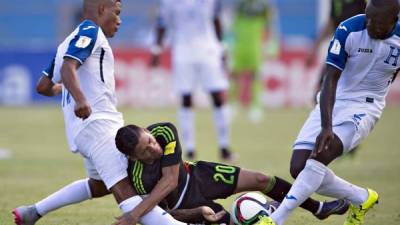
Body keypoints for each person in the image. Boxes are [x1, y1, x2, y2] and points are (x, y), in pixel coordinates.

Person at [12, 1, 191, 225]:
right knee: (124, 188)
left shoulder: (66, 42)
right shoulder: (91, 32)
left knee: (98, 185)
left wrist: (70, 89)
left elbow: (43, 86)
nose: (120, 20)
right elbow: (68, 68)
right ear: (101, 9)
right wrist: (80, 99)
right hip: (98, 126)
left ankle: (33, 211)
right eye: (116, 13)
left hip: (83, 131)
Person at [260, 0, 400, 224]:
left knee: (319, 157)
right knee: (298, 167)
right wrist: (326, 126)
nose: (370, 25)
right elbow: (330, 79)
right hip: (335, 98)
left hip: (366, 107)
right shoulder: (348, 30)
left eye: (377, 23)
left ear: (394, 20)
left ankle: (277, 218)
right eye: (368, 18)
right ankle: (362, 197)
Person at [114, 122, 350, 224]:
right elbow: (164, 216)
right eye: (146, 151)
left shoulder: (164, 131)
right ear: (134, 158)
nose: (154, 148)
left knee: (261, 179)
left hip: (198, 175)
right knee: (234, 222)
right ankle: (268, 210)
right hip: (188, 206)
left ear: (147, 131)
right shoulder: (136, 178)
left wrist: (133, 215)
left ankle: (318, 209)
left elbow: (171, 179)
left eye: (151, 141)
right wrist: (197, 211)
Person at [149, 0, 234, 161]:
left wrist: (222, 47)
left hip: (208, 50)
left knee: (218, 96)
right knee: (186, 98)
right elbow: (162, 23)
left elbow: (216, 20)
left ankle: (224, 147)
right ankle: (189, 148)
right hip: (182, 52)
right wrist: (156, 49)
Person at [306, 0, 367, 100]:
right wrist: (315, 47)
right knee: (320, 93)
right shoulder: (336, 1)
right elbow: (332, 23)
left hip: (361, 50)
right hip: (340, 49)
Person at [231, 0, 273, 122]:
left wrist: (270, 44)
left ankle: (256, 106)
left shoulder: (263, 6)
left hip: (256, 45)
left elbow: (269, 26)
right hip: (240, 45)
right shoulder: (240, 4)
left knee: (256, 75)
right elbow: (234, 24)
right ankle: (233, 104)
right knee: (235, 74)